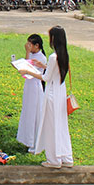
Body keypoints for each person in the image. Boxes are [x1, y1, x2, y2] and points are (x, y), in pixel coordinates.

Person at [20, 26, 72, 169]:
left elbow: (46, 77)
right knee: (61, 126)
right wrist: (43, 65)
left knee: (50, 127)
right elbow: (54, 72)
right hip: (60, 92)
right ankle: (67, 157)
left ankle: (53, 160)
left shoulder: (53, 57)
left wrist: (28, 71)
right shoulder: (63, 55)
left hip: (52, 95)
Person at [16, 34, 47, 151]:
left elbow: (28, 69)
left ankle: (33, 141)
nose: (27, 46)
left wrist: (28, 53)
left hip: (35, 86)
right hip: (28, 86)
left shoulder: (41, 57)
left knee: (34, 113)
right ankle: (26, 139)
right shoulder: (33, 55)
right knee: (27, 112)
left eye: (30, 44)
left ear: (36, 45)